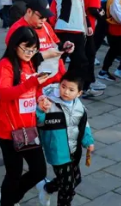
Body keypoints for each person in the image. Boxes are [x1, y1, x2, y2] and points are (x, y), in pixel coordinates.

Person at [0, 27, 50, 205]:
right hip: (9, 131)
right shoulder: (6, 65)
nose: (29, 53)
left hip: (28, 129)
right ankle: (8, 200)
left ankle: (10, 199)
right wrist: (31, 82)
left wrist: (41, 98)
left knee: (39, 171)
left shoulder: (31, 62)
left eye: (33, 50)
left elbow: (35, 88)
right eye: (26, 49)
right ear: (15, 45)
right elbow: (4, 94)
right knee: (14, 173)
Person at [35, 71, 95, 206]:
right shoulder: (49, 102)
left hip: (73, 150)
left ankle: (47, 188)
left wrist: (88, 141)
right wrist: (40, 110)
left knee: (76, 179)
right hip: (57, 150)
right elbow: (38, 121)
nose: (66, 91)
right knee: (68, 186)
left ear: (79, 93)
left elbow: (84, 125)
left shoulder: (79, 107)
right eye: (63, 86)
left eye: (71, 89)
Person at [53, 0, 100, 83]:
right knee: (71, 60)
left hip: (77, 29)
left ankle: (71, 84)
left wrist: (87, 24)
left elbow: (81, 8)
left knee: (77, 61)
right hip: (66, 29)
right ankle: (72, 85)